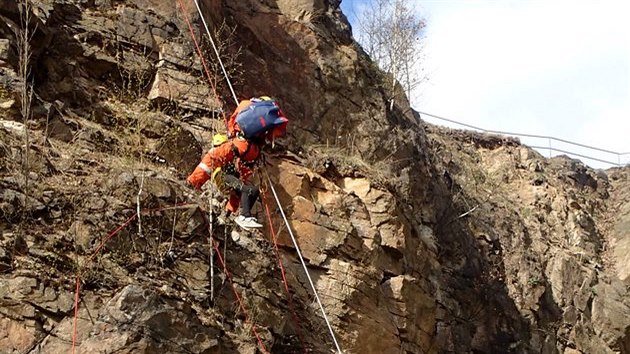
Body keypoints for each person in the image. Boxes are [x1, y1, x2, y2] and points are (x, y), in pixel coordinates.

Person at [187, 96, 288, 230]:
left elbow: (243, 174)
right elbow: (211, 160)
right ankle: (244, 217)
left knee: (253, 191)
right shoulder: (234, 147)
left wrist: (230, 209)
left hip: (231, 178)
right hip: (222, 176)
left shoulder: (247, 149)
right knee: (246, 189)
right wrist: (193, 182)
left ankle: (242, 217)